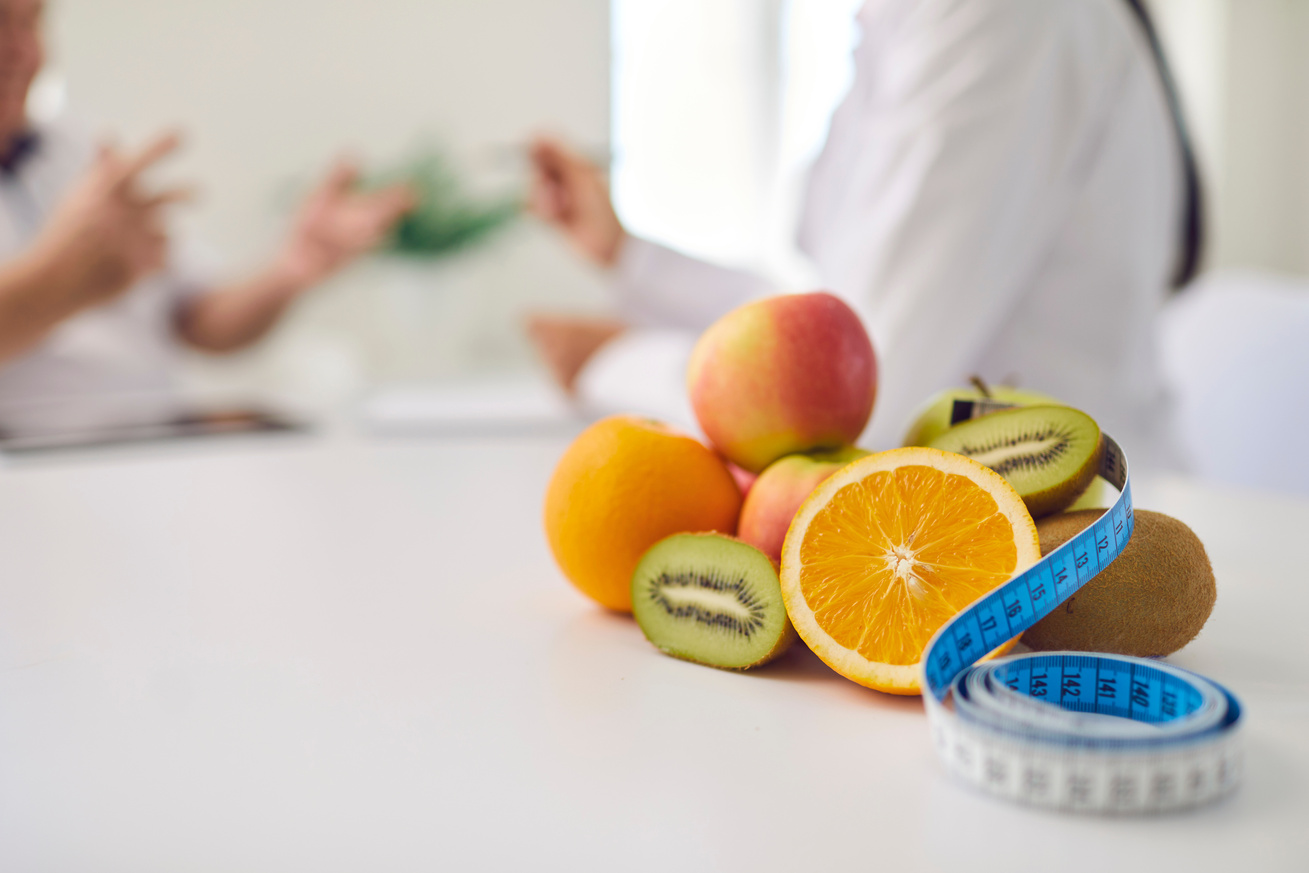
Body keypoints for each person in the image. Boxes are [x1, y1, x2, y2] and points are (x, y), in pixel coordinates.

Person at [528, 0, 1200, 467]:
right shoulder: (903, 22)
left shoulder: (1001, 16)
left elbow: (853, 404)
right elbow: (831, 325)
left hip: (1071, 554)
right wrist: (627, 257)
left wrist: (620, 365)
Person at [0, 0, 414, 426]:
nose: (23, 54)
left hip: (154, 440)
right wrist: (63, 280)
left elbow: (201, 321)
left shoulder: (78, 146)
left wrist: (290, 270)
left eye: (31, 23)